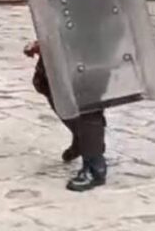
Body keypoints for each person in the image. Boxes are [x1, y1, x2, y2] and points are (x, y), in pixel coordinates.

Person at [24, 39, 108, 192]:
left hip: (92, 39)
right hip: (68, 34)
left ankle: (95, 167)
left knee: (87, 95)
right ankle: (83, 138)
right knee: (45, 81)